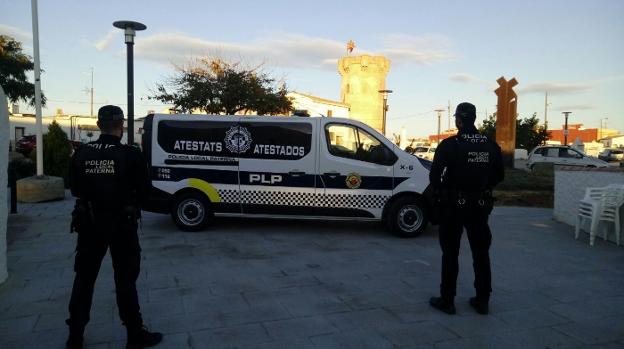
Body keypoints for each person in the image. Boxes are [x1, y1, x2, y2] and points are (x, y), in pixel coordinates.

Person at [66, 105, 162, 349]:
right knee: (126, 280)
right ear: (122, 126)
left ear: (98, 126)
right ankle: (134, 333)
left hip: (89, 224)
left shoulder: (82, 153)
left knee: (84, 279)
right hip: (122, 225)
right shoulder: (130, 154)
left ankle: (75, 335)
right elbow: (145, 192)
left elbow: (75, 189)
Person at [428, 102, 504, 315]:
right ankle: (482, 300)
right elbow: (499, 176)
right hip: (480, 206)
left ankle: (447, 300)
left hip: (453, 206)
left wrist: (445, 191)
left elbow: (434, 177)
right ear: (474, 118)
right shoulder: (490, 145)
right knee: (481, 252)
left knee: (450, 253)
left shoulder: (450, 145)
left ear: (459, 120)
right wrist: (481, 187)